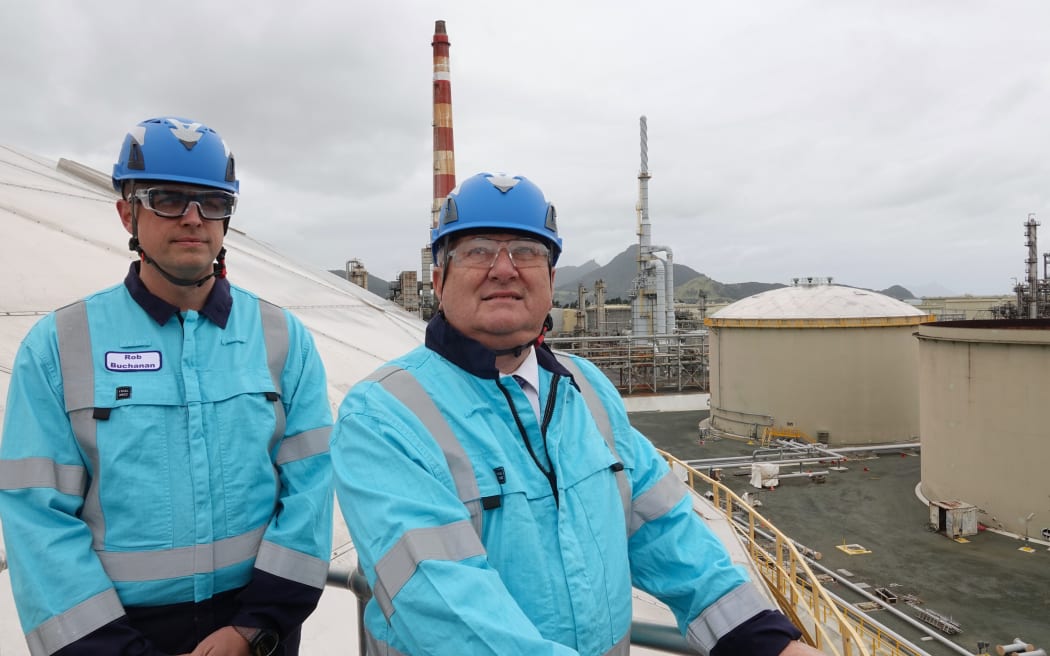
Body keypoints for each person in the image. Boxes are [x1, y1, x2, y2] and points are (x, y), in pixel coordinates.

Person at [330, 171, 823, 655]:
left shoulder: (586, 389)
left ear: (550, 279)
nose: (504, 269)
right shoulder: (385, 415)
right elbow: (442, 609)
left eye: (526, 252)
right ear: (438, 280)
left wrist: (763, 641)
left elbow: (664, 528)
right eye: (477, 251)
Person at [0, 117, 333, 656]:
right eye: (168, 199)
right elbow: (37, 520)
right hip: (117, 636)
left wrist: (253, 631)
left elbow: (310, 496)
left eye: (213, 202)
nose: (194, 219)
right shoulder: (61, 346)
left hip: (256, 633)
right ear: (126, 212)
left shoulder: (281, 338)